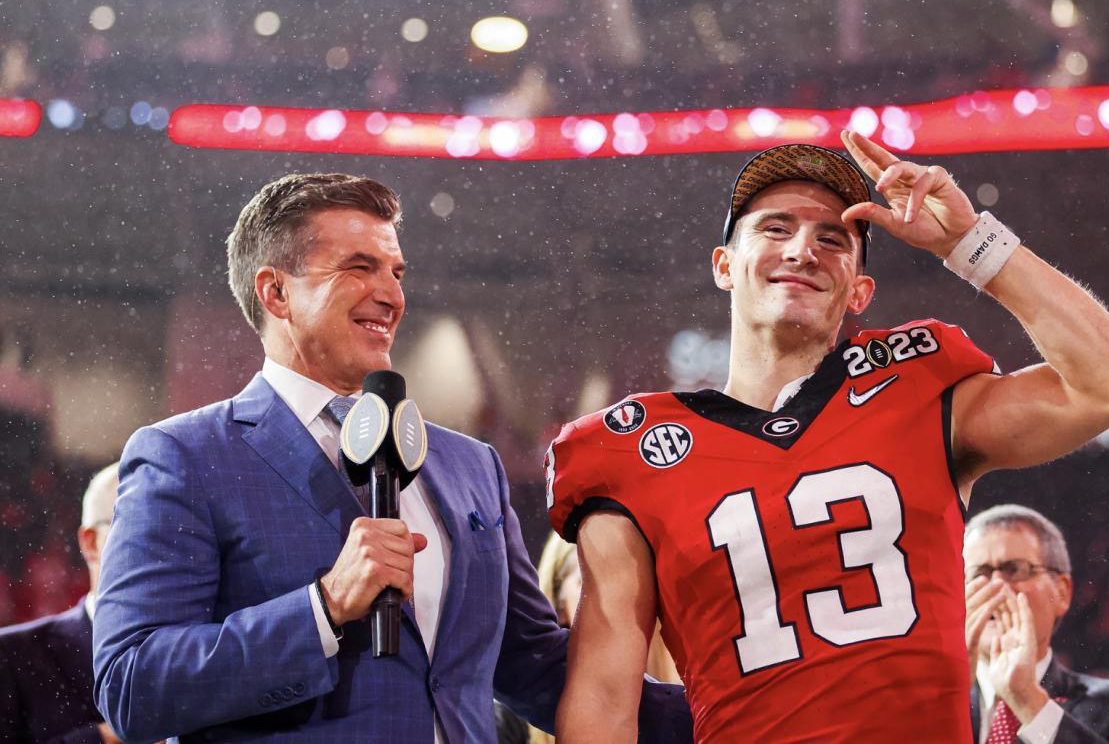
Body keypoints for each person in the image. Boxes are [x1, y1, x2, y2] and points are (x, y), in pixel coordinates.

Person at [546, 132, 1109, 743]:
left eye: (832, 239)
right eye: (776, 229)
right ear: (725, 266)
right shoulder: (630, 452)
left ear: (860, 291)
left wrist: (972, 245)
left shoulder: (918, 391)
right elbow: (603, 697)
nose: (803, 250)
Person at [92, 174, 691, 743]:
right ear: (276, 292)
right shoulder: (185, 455)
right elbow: (132, 686)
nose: (392, 295)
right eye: (359, 268)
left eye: (396, 272)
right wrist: (322, 607)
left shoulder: (469, 465)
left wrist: (733, 714)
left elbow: (533, 664)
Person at [964, 504, 1109, 743]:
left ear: (1061, 592)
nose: (996, 585)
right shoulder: (927, 702)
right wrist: (946, 697)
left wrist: (1028, 701)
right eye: (978, 574)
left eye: (1015, 569)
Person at [0, 463, 127, 744]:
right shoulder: (12, 657)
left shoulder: (214, 650)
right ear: (91, 542)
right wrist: (103, 738)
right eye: (139, 526)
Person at [529, 533, 681, 744]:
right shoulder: (510, 721)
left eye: (631, 579)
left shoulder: (692, 689)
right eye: (588, 582)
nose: (616, 595)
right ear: (560, 603)